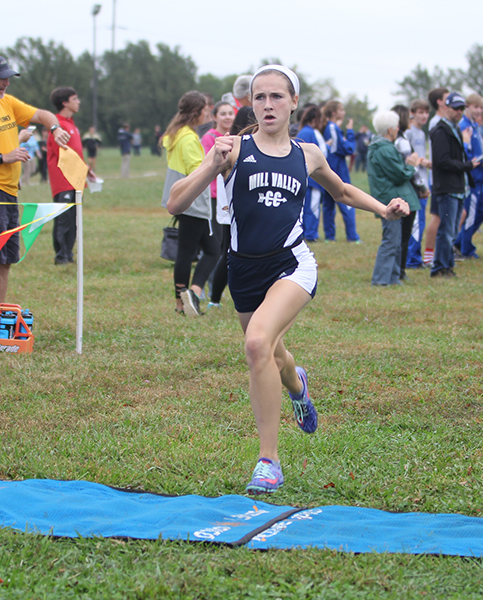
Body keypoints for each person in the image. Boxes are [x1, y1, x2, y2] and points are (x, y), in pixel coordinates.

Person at [166, 65, 408, 494]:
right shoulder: (233, 149)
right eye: (259, 97)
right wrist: (211, 168)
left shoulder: (308, 153)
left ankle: (268, 462)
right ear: (250, 104)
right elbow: (175, 202)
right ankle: (299, 388)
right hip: (243, 269)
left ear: (294, 102)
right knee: (273, 355)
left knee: (257, 343)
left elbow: (343, 192)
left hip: (292, 264)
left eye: (277, 96)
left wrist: (384, 210)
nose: (268, 105)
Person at [0, 53, 73, 337]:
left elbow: (42, 115)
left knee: (6, 258)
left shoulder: (6, 102)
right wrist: (3, 156)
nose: (7, 83)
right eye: (1, 77)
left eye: (9, 77)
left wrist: (54, 128)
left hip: (10, 191)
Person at [161, 91, 220, 316]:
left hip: (182, 200)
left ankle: (186, 299)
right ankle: (186, 299)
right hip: (193, 201)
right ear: (197, 111)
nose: (209, 112)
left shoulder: (176, 134)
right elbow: (198, 172)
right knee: (202, 252)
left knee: (203, 250)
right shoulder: (188, 138)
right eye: (206, 108)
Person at [367, 109, 419, 286]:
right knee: (391, 241)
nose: (398, 129)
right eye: (396, 126)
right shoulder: (385, 149)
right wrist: (411, 166)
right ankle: (381, 280)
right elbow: (399, 175)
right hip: (391, 200)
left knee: (396, 241)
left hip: (390, 197)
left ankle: (393, 277)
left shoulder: (382, 147)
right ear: (390, 130)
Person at [430, 92, 478, 278]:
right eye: (456, 108)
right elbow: (443, 161)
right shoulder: (441, 131)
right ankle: (440, 268)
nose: (459, 112)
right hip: (447, 188)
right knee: (446, 230)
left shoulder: (456, 129)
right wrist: (468, 166)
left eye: (461, 109)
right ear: (446, 108)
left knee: (452, 229)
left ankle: (447, 265)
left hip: (457, 188)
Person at [47, 87, 92, 265]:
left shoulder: (71, 124)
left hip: (75, 180)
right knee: (63, 219)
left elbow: (76, 154)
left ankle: (69, 253)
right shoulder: (58, 126)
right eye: (75, 99)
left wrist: (86, 169)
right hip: (63, 181)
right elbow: (63, 155)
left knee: (74, 219)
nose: (78, 102)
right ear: (65, 103)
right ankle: (61, 255)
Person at [201, 101, 236, 308]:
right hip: (215, 197)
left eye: (230, 113)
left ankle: (217, 289)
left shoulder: (236, 138)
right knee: (219, 246)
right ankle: (212, 290)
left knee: (227, 245)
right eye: (223, 113)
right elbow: (209, 166)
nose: (227, 117)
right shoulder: (210, 138)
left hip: (230, 196)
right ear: (215, 116)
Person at [390, 104, 424, 280]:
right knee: (405, 234)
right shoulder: (403, 142)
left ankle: (396, 269)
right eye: (409, 117)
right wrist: (422, 187)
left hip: (394, 191)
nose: (411, 120)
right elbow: (411, 167)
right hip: (408, 191)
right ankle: (400, 271)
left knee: (396, 234)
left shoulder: (390, 141)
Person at [455, 93, 483, 259]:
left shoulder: (475, 126)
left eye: (481, 108)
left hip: (480, 178)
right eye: (475, 107)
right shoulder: (465, 127)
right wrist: (478, 161)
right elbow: (464, 153)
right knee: (470, 213)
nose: (479, 111)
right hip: (472, 178)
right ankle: (464, 247)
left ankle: (460, 240)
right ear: (467, 107)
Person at [321, 100, 360, 243]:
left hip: (328, 170)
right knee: (347, 202)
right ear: (333, 112)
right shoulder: (332, 127)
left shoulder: (330, 127)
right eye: (341, 109)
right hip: (337, 171)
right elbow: (346, 149)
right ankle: (353, 237)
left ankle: (329, 237)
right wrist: (350, 131)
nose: (343, 112)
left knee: (328, 206)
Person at [423, 87, 450, 267]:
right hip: (438, 177)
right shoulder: (436, 122)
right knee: (437, 216)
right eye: (447, 98)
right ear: (439, 101)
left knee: (443, 216)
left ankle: (442, 252)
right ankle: (428, 257)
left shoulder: (444, 120)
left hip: (443, 176)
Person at [404, 99, 432, 269]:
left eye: (426, 112)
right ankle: (411, 260)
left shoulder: (422, 134)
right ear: (412, 113)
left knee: (420, 222)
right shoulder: (409, 133)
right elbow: (408, 158)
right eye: (420, 112)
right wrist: (422, 161)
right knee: (416, 223)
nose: (424, 116)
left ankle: (415, 257)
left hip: (423, 181)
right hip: (414, 183)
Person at [295, 105, 329, 242]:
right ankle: (311, 234)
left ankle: (304, 233)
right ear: (316, 119)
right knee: (313, 207)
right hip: (314, 178)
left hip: (303, 176)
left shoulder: (302, 132)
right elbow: (323, 154)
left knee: (304, 207)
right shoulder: (313, 133)